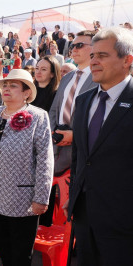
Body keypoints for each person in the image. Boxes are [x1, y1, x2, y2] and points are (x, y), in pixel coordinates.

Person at [65, 27, 133, 266]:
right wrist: (73, 196)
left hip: (124, 222)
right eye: (92, 55)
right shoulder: (83, 101)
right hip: (85, 215)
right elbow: (79, 157)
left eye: (102, 56)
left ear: (127, 60)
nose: (93, 61)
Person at [0, 69, 54, 266]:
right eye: (5, 86)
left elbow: (45, 159)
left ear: (27, 92)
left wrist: (41, 197)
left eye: (13, 86)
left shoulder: (38, 116)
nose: (7, 89)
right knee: (1, 246)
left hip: (21, 198)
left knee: (20, 253)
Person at [48, 30, 98, 175]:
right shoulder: (66, 77)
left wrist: (76, 136)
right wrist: (51, 133)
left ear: (95, 48)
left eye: (80, 45)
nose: (74, 49)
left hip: (82, 149)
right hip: (55, 145)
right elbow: (54, 110)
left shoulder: (100, 78)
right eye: (72, 46)